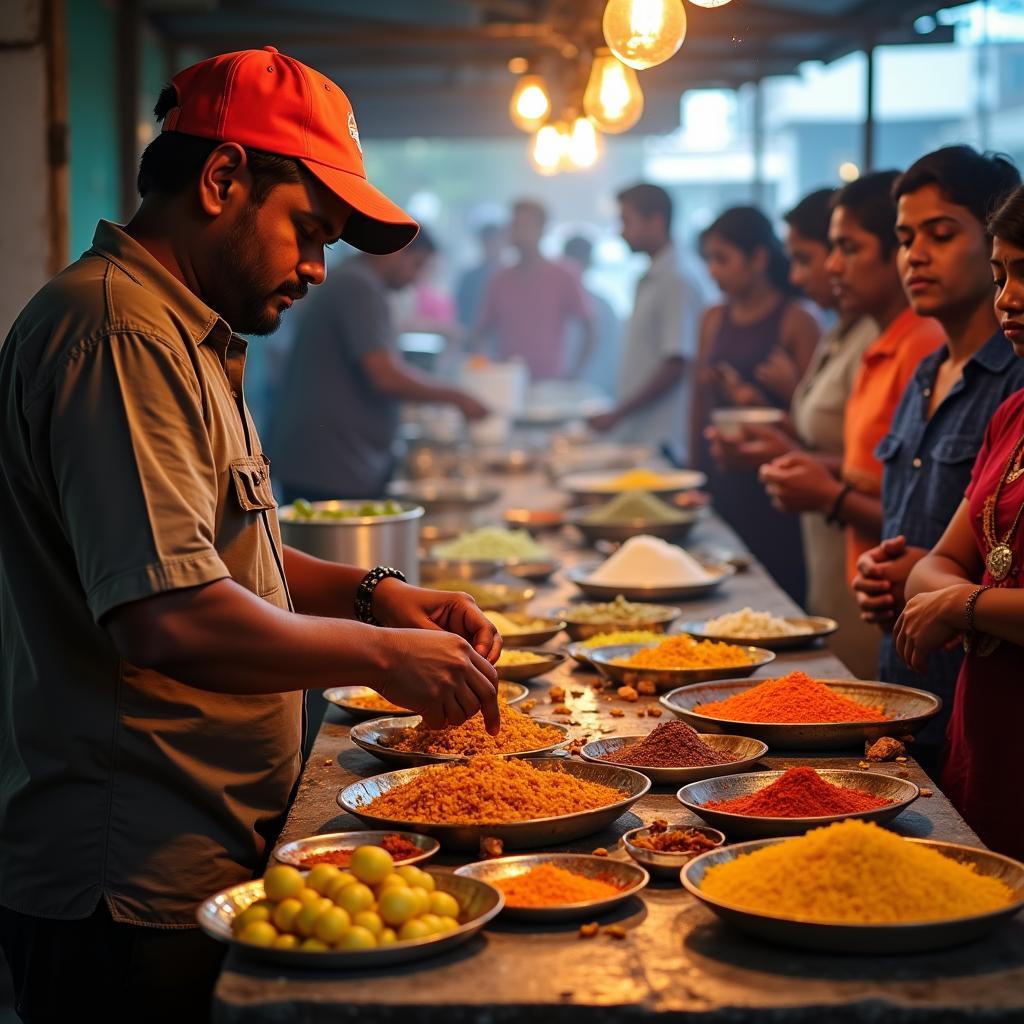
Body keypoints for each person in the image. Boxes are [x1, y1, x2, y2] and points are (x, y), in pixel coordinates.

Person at [0, 47, 502, 1022]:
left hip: (200, 847)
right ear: (223, 178)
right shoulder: (118, 337)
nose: (316, 269)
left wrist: (373, 592)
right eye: (307, 232)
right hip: (131, 879)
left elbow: (229, 553)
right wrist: (382, 654)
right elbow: (169, 617)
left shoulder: (182, 332)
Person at [850, 148, 1024, 773]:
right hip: (908, 684)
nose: (914, 254)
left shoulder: (1012, 383)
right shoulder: (927, 373)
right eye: (904, 238)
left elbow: (958, 564)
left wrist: (948, 596)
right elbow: (932, 548)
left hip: (975, 693)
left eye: (941, 234)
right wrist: (887, 569)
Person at [894, 183, 1024, 858]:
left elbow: (950, 583)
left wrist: (964, 602)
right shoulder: (1013, 416)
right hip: (988, 737)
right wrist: (951, 593)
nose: (1011, 297)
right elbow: (934, 565)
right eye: (1004, 275)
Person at [707, 189, 880, 677]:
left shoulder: (891, 340)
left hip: (858, 555)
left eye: (812, 257)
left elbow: (879, 473)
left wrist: (784, 446)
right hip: (826, 544)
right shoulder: (847, 331)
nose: (806, 275)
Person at [759, 172, 946, 596]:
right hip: (856, 574)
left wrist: (827, 494)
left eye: (849, 248)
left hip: (898, 590)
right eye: (909, 237)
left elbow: (922, 518)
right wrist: (799, 462)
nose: (831, 267)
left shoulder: (926, 346)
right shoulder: (878, 340)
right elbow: (867, 471)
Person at [270, 226, 487, 503]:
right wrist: (456, 396)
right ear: (397, 251)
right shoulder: (359, 285)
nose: (415, 279)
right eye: (417, 265)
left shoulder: (356, 279)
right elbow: (384, 374)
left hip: (328, 460)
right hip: (329, 464)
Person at [693, 206, 820, 602]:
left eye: (722, 259)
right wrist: (696, 474)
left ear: (759, 259)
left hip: (777, 483)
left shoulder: (797, 319)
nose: (713, 271)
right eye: (709, 260)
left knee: (778, 588)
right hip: (725, 471)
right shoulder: (714, 318)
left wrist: (771, 396)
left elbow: (818, 412)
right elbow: (699, 400)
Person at [587, 184, 704, 465]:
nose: (621, 231)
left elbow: (676, 363)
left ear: (657, 221)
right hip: (644, 431)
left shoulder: (677, 278)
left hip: (664, 436)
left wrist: (619, 413)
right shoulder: (654, 275)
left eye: (627, 221)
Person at [472, 199, 595, 379]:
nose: (519, 233)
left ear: (542, 230)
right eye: (515, 225)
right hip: (508, 379)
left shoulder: (564, 276)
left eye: (526, 226)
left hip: (551, 381)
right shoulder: (499, 279)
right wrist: (487, 370)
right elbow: (481, 331)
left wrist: (575, 373)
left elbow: (590, 326)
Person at [562, 234, 621, 398]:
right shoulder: (552, 303)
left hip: (595, 392)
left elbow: (613, 355)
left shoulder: (603, 307)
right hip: (560, 389)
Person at [455, 221, 504, 330]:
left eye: (496, 241)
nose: (493, 245)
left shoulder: (510, 278)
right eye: (489, 241)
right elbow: (461, 313)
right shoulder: (469, 278)